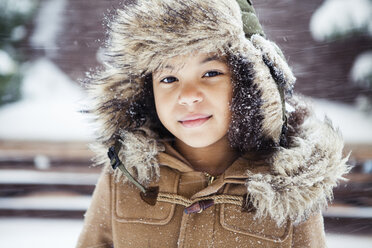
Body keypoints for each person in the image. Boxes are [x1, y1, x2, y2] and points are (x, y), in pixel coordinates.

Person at [76, 0, 350, 247]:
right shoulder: (125, 174)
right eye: (169, 79)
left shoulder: (290, 189)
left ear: (249, 81)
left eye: (210, 72)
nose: (188, 96)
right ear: (148, 91)